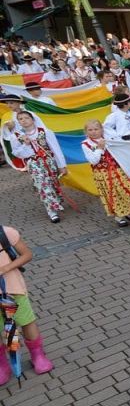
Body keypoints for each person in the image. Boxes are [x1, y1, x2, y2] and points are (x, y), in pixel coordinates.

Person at [0, 224, 55, 383]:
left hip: (14, 290)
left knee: (27, 322)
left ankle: (38, 355)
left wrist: (6, 268)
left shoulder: (5, 233)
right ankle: (3, 365)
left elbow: (27, 254)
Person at [9, 111, 67, 223]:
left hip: (49, 163)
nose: (24, 120)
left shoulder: (44, 132)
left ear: (33, 119)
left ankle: (56, 201)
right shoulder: (16, 137)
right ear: (18, 122)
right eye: (20, 119)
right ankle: (52, 212)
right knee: (43, 185)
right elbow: (17, 153)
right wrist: (26, 144)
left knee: (52, 184)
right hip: (34, 164)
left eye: (26, 118)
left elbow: (55, 149)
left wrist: (61, 165)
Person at [80, 120, 130, 227]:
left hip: (117, 170)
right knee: (112, 194)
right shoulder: (86, 144)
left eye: (96, 129)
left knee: (126, 189)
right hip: (103, 173)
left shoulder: (109, 138)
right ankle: (119, 216)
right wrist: (99, 148)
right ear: (86, 132)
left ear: (101, 129)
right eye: (90, 130)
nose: (93, 132)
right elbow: (93, 161)